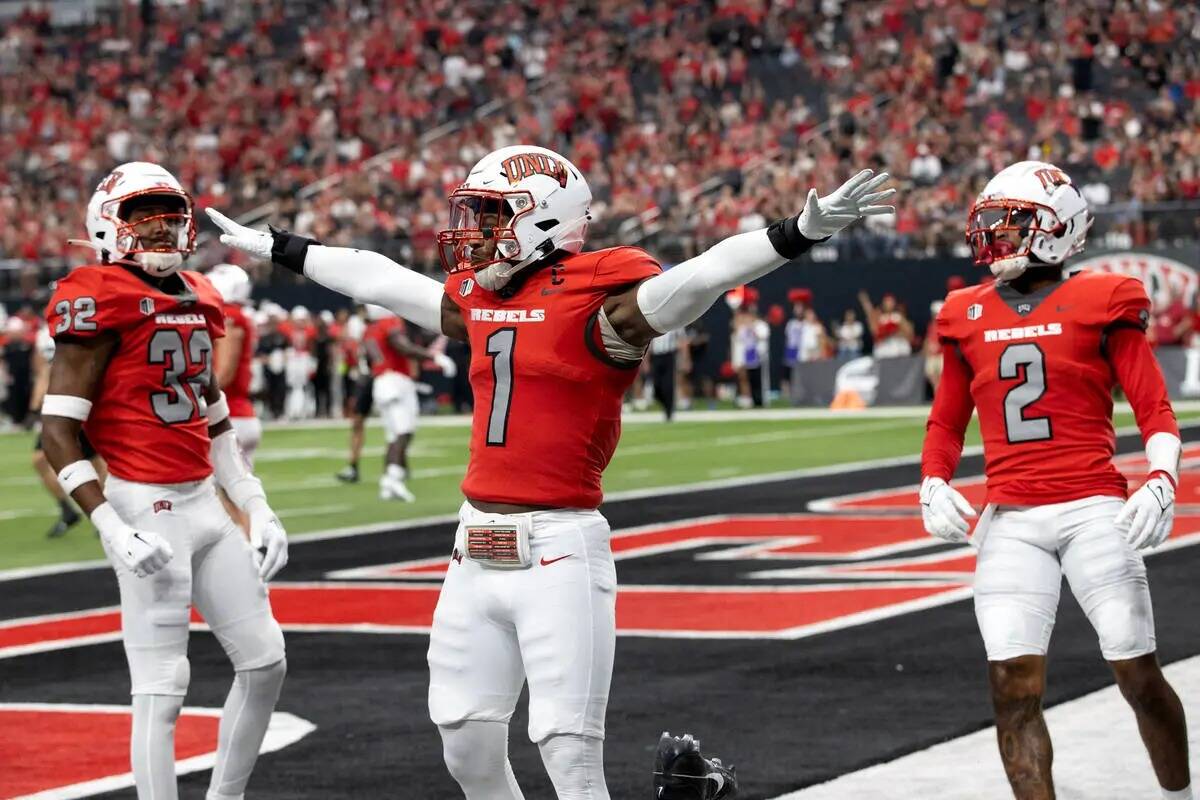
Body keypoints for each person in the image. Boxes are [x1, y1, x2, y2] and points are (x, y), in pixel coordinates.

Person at [210, 144, 893, 799]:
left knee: (569, 757)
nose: (473, 232)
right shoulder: (479, 300)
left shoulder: (602, 304)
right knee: (466, 747)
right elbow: (377, 278)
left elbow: (705, 274)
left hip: (558, 549)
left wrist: (800, 230)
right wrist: (275, 244)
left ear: (541, 218)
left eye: (489, 214)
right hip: (472, 548)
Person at [921, 161, 1191, 800]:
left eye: (1010, 225)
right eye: (990, 225)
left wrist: (1162, 477)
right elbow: (945, 422)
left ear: (1057, 228)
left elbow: (1155, 407)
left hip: (1093, 509)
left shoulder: (1103, 297)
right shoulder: (966, 312)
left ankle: (1180, 794)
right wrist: (932, 480)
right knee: (1011, 685)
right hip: (1011, 519)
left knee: (1136, 672)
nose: (995, 239)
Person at [41, 162, 289, 800]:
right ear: (108, 224)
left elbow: (216, 418)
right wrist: (110, 525)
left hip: (204, 501)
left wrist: (256, 506)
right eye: (141, 213)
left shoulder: (199, 293)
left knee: (265, 664)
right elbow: (58, 434)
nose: (161, 225)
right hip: (142, 503)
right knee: (162, 686)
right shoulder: (95, 293)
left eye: (169, 211)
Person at [363, 304, 455, 501]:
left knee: (393, 435)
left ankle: (388, 481)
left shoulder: (370, 330)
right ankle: (394, 479)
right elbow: (403, 346)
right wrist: (434, 357)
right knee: (403, 432)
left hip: (382, 381)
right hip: (395, 381)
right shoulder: (388, 323)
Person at [30, 319, 107, 537]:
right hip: (58, 406)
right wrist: (37, 399)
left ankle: (107, 514)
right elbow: (46, 369)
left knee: (97, 463)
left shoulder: (80, 325)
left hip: (79, 402)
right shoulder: (45, 333)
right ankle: (68, 511)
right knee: (40, 459)